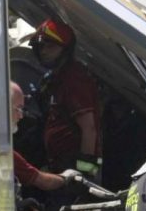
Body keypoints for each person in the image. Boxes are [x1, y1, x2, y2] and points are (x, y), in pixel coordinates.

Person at [11, 81, 85, 211]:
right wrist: (65, 178)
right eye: (18, 109)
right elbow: (42, 181)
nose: (21, 116)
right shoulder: (4, 154)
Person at [29, 19, 102, 178]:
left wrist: (84, 174)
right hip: (59, 166)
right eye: (41, 47)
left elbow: (89, 128)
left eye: (51, 46)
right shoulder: (54, 79)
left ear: (65, 50)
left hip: (75, 167)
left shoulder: (74, 78)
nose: (44, 52)